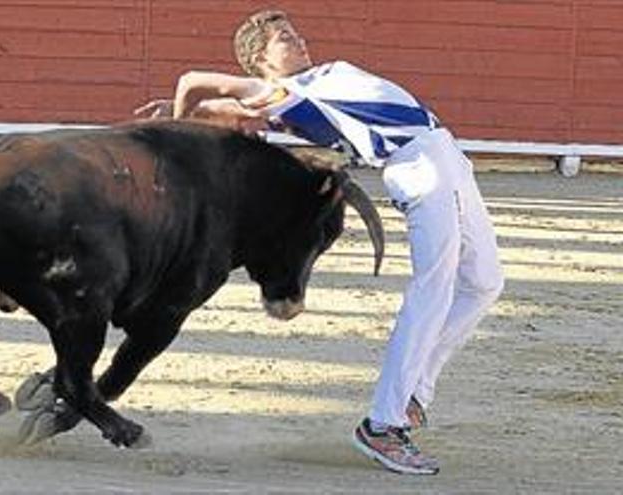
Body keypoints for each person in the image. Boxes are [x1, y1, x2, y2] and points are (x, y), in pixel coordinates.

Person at [137, 9, 504, 475]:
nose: (299, 40)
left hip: (444, 155)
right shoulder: (283, 91)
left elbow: (231, 115)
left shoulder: (306, 89)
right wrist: (178, 115)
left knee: (484, 282)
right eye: (283, 38)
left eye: (295, 32)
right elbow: (194, 79)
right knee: (433, 287)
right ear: (260, 59)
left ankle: (412, 395)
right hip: (419, 163)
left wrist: (189, 116)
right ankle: (383, 425)